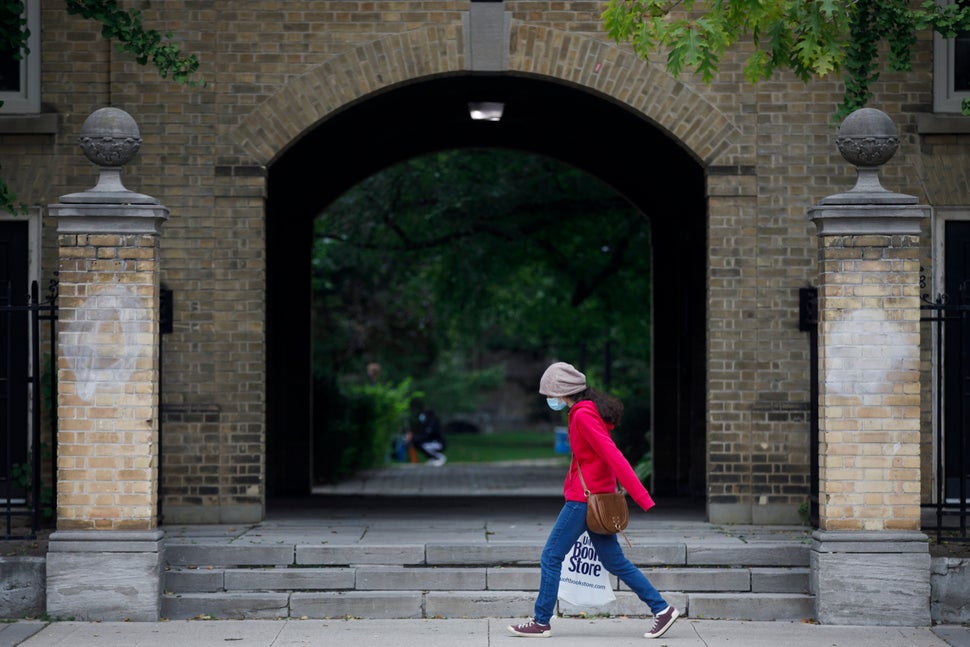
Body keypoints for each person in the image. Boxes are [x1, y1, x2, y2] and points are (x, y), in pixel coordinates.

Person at [507, 361, 679, 640]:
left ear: (562, 392)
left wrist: (642, 497)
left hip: (583, 501)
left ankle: (541, 621)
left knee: (551, 556)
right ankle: (662, 610)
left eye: (550, 394)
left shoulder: (582, 415)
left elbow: (613, 455)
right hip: (594, 498)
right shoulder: (583, 411)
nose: (550, 400)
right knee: (615, 562)